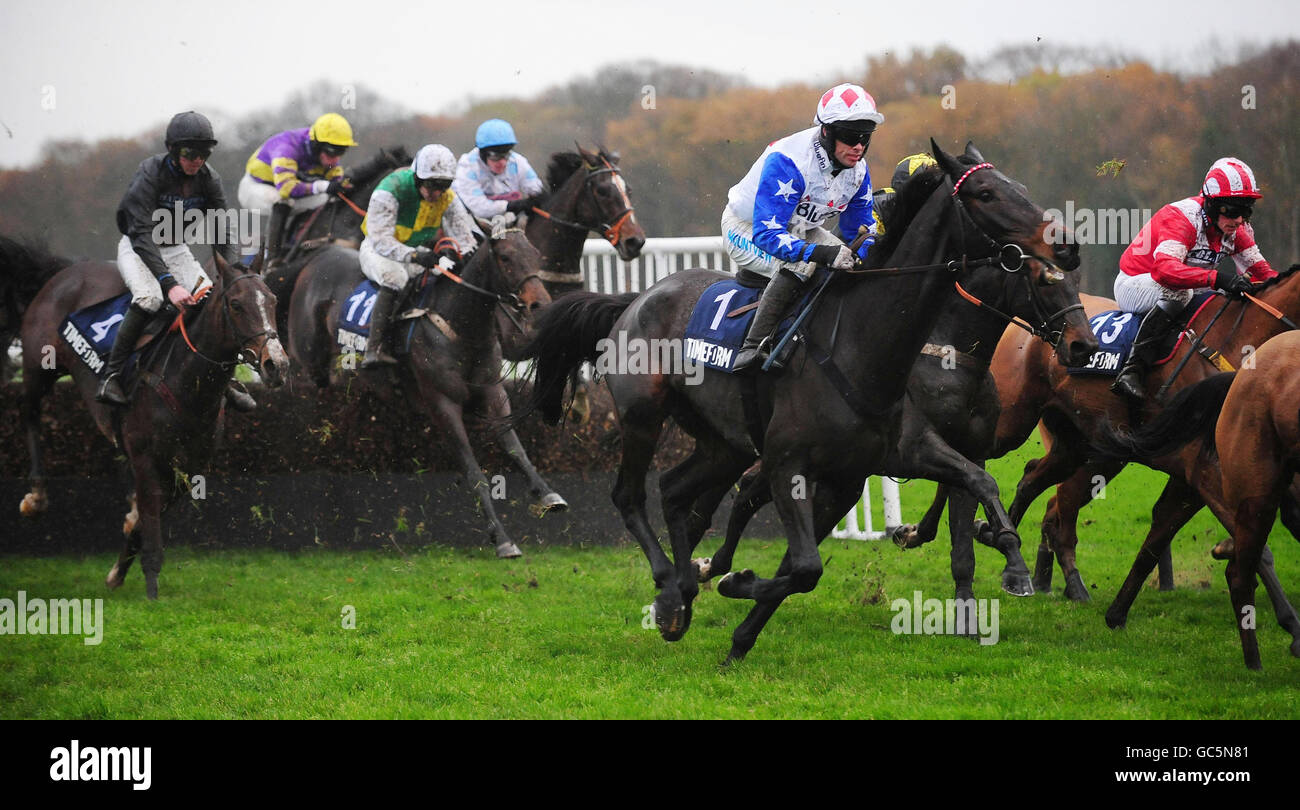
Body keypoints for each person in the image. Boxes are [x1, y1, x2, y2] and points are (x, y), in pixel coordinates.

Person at [97, 111, 253, 410]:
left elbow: (223, 230)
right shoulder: (150, 173)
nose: (197, 160)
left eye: (204, 153)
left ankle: (224, 378)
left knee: (212, 299)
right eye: (189, 153)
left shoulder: (209, 179)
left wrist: (231, 275)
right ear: (172, 150)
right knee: (149, 299)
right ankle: (111, 374)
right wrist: (169, 285)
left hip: (174, 248)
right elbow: (140, 233)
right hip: (139, 245)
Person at [723, 83, 883, 372]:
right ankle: (752, 346)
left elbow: (859, 231)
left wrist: (869, 253)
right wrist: (817, 254)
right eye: (850, 136)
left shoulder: (859, 170)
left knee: (849, 259)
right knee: (803, 265)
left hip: (798, 228)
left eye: (865, 136)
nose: (858, 146)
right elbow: (767, 234)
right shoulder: (789, 161)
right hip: (746, 228)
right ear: (826, 131)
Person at [1110, 157, 1277, 402]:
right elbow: (1164, 272)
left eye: (1245, 211)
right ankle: (1132, 371)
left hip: (1183, 284)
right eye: (1232, 211)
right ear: (1211, 204)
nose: (1239, 220)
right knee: (1183, 294)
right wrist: (1218, 278)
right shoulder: (1183, 217)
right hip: (1135, 282)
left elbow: (1267, 276)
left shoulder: (1235, 230)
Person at [357, 144, 478, 368]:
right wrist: (414, 256)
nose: (438, 193)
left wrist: (464, 254)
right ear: (417, 177)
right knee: (396, 278)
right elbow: (381, 240)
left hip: (414, 250)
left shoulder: (447, 197)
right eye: (433, 185)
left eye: (444, 186)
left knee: (447, 268)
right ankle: (374, 349)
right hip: (377, 249)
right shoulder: (391, 188)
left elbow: (465, 238)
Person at [238, 112, 358, 268]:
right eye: (332, 151)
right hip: (254, 188)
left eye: (341, 151)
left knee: (327, 198)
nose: (335, 159)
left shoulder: (326, 156)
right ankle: (272, 259)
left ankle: (294, 242)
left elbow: (338, 183)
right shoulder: (287, 147)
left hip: (287, 190)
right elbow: (287, 189)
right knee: (282, 200)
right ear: (317, 144)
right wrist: (324, 186)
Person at [452, 119, 545, 222]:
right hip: (470, 219)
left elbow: (537, 190)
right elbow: (479, 209)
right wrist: (511, 205)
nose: (503, 162)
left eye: (506, 155)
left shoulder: (518, 162)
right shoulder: (467, 167)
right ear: (482, 153)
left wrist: (534, 202)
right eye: (495, 156)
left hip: (504, 218)